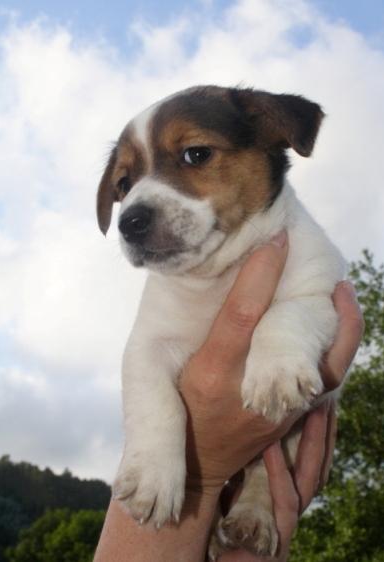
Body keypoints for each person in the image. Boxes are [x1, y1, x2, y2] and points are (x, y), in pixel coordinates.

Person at [94, 233, 364, 562]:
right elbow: (149, 349)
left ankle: (257, 500)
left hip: (286, 439)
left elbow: (319, 310)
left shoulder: (304, 246)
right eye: (125, 188)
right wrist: (190, 473)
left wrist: (283, 338)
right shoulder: (171, 280)